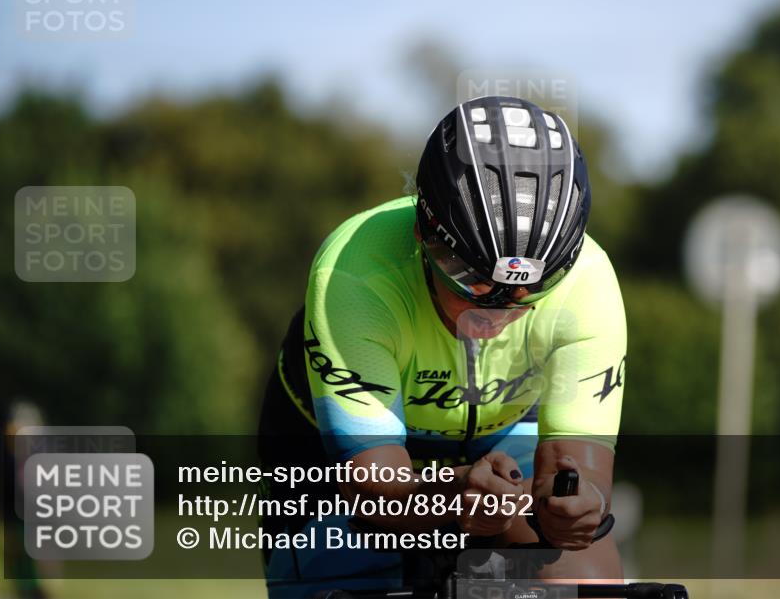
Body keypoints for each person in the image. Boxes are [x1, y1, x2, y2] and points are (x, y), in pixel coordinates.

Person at [258, 96, 627, 598]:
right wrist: (454, 494)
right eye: (469, 280)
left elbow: (580, 474)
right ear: (422, 232)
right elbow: (372, 495)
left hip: (503, 428)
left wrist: (574, 509)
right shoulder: (355, 270)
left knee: (586, 579)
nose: (494, 311)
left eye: (527, 291)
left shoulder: (589, 284)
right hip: (340, 450)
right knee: (342, 573)